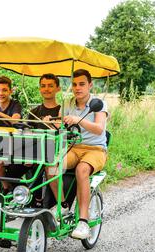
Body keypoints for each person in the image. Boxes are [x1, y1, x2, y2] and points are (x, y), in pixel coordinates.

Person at [46, 69, 108, 239]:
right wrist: (50, 123)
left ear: (90, 85)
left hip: (95, 149)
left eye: (82, 84)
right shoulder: (68, 104)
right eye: (74, 84)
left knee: (82, 170)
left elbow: (99, 128)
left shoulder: (98, 104)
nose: (77, 88)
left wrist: (78, 120)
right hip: (74, 147)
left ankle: (83, 221)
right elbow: (60, 126)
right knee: (51, 164)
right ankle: (63, 205)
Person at [5, 73, 61, 203]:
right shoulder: (33, 112)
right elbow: (26, 131)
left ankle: (39, 199)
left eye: (50, 86)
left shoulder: (61, 111)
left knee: (39, 164)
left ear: (58, 88)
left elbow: (61, 134)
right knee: (10, 168)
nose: (46, 89)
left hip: (51, 151)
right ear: (40, 89)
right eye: (43, 86)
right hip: (32, 151)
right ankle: (20, 194)